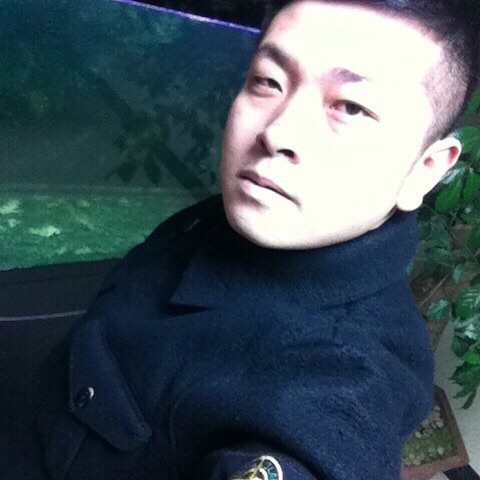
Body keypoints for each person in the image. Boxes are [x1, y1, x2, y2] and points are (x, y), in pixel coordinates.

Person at [19, 1, 480, 479]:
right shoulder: (246, 215)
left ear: (425, 171)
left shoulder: (340, 381)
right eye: (268, 81)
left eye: (349, 107)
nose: (278, 132)